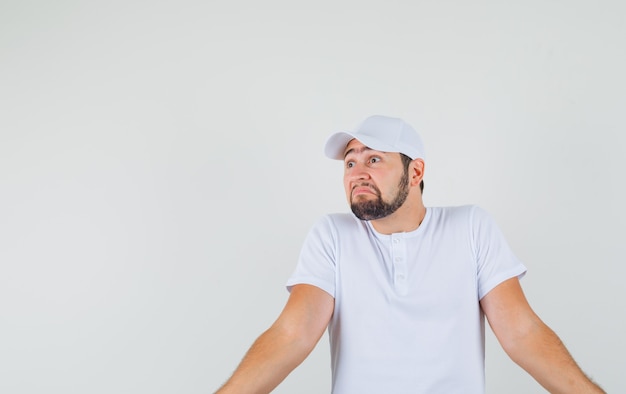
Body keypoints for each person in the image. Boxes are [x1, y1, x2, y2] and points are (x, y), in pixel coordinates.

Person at [215, 115, 604, 393]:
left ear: (415, 172)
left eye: (373, 159)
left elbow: (522, 333)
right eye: (350, 162)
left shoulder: (470, 227)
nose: (356, 172)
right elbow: (292, 335)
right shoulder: (332, 235)